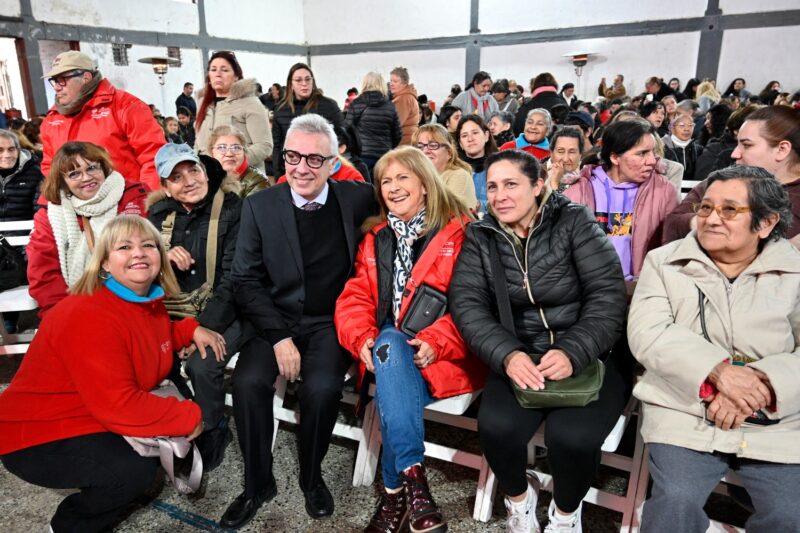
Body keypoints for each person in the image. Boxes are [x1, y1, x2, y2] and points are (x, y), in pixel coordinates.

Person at [0, 215, 224, 533]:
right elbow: (119, 403)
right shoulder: (89, 314)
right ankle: (68, 528)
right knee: (131, 473)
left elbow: (145, 339)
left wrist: (188, 330)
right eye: (124, 247)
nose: (139, 253)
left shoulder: (143, 301)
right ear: (105, 262)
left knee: (141, 460)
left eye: (148, 245)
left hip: (83, 412)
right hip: (36, 433)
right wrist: (187, 415)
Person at [450, 149, 628, 533]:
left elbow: (608, 296)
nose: (500, 196)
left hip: (590, 352)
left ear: (538, 185)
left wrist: (572, 350)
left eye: (511, 184)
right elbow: (468, 306)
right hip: (521, 352)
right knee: (496, 427)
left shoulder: (574, 221)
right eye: (492, 187)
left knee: (573, 438)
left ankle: (565, 514)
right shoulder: (482, 235)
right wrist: (508, 354)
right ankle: (519, 499)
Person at [220, 113, 375, 529]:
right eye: (292, 156)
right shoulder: (260, 206)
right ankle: (256, 484)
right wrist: (278, 337)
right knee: (248, 383)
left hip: (328, 321)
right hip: (273, 319)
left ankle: (311, 476)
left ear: (333, 163)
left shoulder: (356, 197)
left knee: (322, 389)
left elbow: (410, 194)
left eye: (314, 159)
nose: (301, 168)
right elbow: (244, 279)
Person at [628, 165, 800, 532]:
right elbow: (648, 332)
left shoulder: (795, 271)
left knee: (791, 513)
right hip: (685, 407)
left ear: (766, 223)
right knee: (675, 500)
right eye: (706, 207)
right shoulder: (665, 262)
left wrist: (762, 385)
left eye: (730, 209)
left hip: (777, 416)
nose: (711, 219)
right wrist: (717, 374)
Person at [335, 146, 485, 533]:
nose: (393, 187)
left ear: (425, 183)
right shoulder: (376, 238)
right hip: (389, 346)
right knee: (387, 345)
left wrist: (438, 339)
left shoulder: (461, 232)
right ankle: (415, 483)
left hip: (442, 352)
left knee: (392, 385)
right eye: (386, 181)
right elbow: (355, 298)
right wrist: (360, 338)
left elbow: (475, 304)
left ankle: (395, 497)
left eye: (403, 177)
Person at [147, 143, 243, 471]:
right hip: (177, 309)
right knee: (149, 355)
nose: (189, 181)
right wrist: (163, 256)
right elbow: (137, 270)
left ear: (205, 171)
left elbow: (235, 280)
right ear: (165, 187)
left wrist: (202, 328)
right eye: (176, 177)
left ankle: (213, 428)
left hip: (230, 309)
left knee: (203, 364)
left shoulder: (234, 209)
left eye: (193, 170)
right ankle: (177, 419)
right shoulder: (157, 217)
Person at [27, 141, 148, 316]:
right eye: (74, 174)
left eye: (92, 168)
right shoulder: (50, 214)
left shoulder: (133, 196)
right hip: (72, 305)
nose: (86, 178)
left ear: (104, 168)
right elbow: (43, 271)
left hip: (132, 298)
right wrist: (64, 313)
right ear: (63, 182)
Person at [663, 106, 800, 244]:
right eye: (706, 207)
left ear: (782, 149)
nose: (734, 154)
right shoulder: (720, 181)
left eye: (747, 145)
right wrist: (707, 222)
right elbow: (672, 224)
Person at [565, 120, 678, 280]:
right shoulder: (578, 192)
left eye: (652, 152)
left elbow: (672, 249)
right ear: (615, 158)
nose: (652, 160)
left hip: (643, 287)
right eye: (642, 153)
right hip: (589, 288)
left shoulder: (664, 192)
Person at [40, 51, 165, 191]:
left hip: (125, 199)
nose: (57, 87)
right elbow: (50, 167)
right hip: (76, 202)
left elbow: (154, 156)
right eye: (55, 81)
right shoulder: (51, 119)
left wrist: (145, 197)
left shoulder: (125, 105)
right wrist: (59, 198)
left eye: (62, 80)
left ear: (86, 77)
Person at [194, 51, 272, 174]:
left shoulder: (250, 103)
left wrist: (233, 162)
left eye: (224, 70)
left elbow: (264, 145)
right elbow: (198, 144)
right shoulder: (203, 104)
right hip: (208, 178)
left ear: (236, 76)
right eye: (213, 70)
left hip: (243, 178)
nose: (218, 74)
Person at [272, 63, 344, 177]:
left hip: (322, 171)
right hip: (291, 171)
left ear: (313, 81)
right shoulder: (280, 110)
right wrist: (278, 174)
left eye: (308, 79)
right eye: (298, 80)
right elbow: (277, 146)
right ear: (291, 84)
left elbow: (341, 140)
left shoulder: (329, 106)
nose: (304, 83)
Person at [346, 72, 402, 180]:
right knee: (382, 185)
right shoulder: (390, 106)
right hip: (384, 155)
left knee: (363, 186)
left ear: (365, 84)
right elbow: (397, 134)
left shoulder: (356, 103)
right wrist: (389, 147)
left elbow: (347, 129)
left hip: (362, 155)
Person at [413, 123, 478, 210]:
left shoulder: (459, 176)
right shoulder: (416, 177)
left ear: (449, 152)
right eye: (420, 147)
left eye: (433, 145)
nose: (425, 151)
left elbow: (445, 213)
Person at [209, 125, 270, 197]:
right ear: (211, 152)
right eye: (222, 147)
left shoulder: (257, 181)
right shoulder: (204, 177)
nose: (229, 154)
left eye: (236, 148)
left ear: (244, 152)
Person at [456, 115, 497, 214]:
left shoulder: (500, 167)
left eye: (475, 133)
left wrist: (480, 206)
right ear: (460, 143)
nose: (470, 139)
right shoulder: (453, 169)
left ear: (486, 136)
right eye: (464, 136)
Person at [0, 129, 43, 221]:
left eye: (11, 149)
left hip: (27, 228)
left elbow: (41, 209)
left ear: (18, 150)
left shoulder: (35, 172)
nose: (7, 155)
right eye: (0, 150)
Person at [662, 114, 703, 181]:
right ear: (673, 129)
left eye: (690, 125)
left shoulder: (699, 149)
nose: (687, 129)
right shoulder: (662, 147)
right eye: (682, 125)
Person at [546, 126, 584, 191]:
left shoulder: (588, 177)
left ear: (580, 154)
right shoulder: (538, 174)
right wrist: (554, 181)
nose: (565, 159)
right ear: (551, 153)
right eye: (561, 151)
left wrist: (555, 183)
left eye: (572, 152)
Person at [388, 67, 420, 146]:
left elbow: (395, 124)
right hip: (408, 140)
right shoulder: (407, 96)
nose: (391, 84)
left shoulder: (403, 99)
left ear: (404, 83)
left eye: (395, 81)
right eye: (391, 80)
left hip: (403, 143)